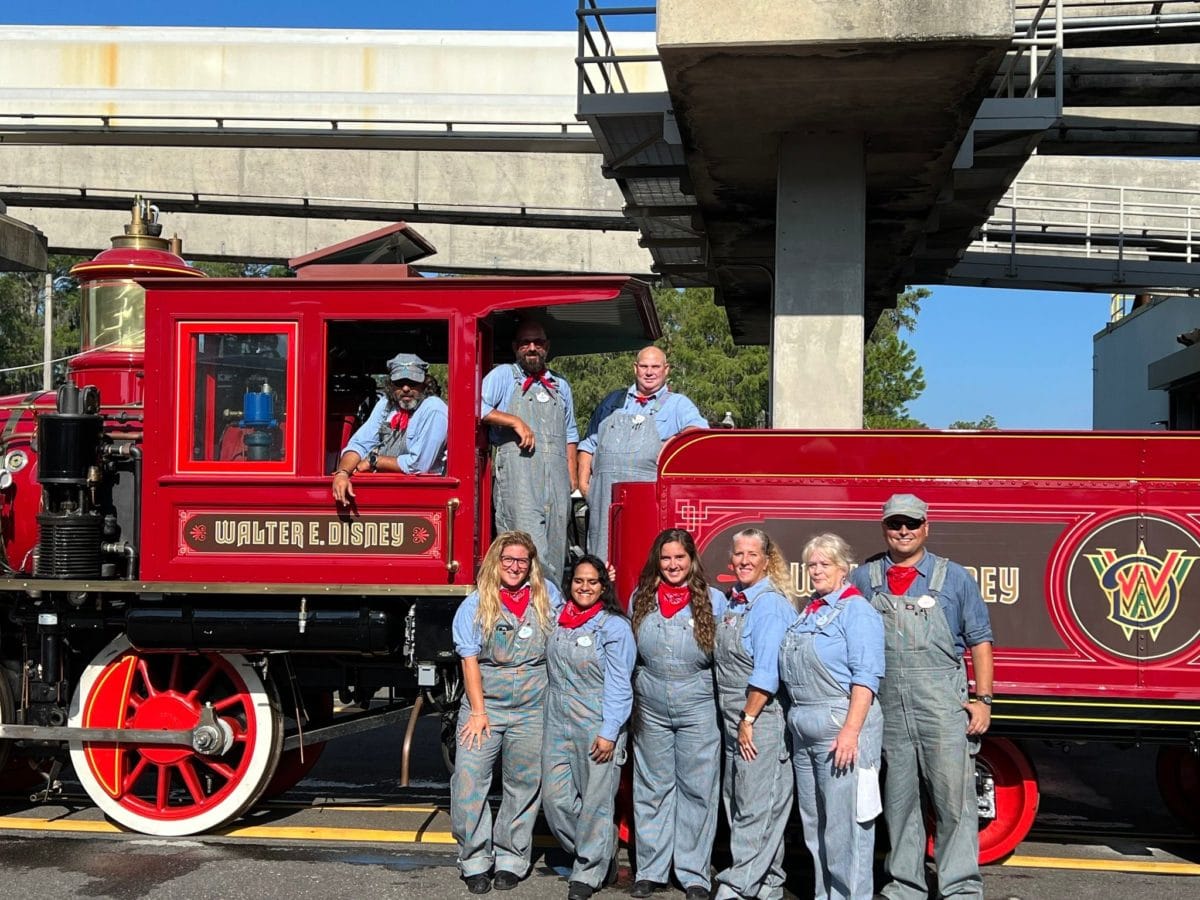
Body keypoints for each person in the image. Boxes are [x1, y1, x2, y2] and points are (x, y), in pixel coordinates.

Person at [847, 494, 995, 900]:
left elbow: (980, 641)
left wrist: (983, 700)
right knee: (900, 802)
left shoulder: (954, 578)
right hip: (889, 704)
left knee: (954, 803)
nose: (904, 531)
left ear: (926, 527)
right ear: (884, 529)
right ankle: (905, 887)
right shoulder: (865, 578)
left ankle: (961, 888)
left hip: (942, 706)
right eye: (895, 524)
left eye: (911, 523)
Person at [451, 531, 563, 895]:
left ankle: (512, 858)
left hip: (533, 706)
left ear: (531, 564)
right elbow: (469, 660)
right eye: (508, 560)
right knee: (469, 781)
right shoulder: (476, 603)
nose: (515, 567)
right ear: (495, 562)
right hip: (486, 706)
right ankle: (474, 860)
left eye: (522, 560)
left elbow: (576, 619)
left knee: (523, 784)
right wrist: (479, 712)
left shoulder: (548, 596)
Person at [780, 534, 885, 900]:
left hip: (841, 727)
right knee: (816, 825)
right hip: (805, 726)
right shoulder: (810, 609)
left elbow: (866, 677)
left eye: (825, 564)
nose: (817, 571)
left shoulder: (858, 612)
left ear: (844, 569)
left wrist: (851, 732)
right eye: (812, 564)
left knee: (848, 827)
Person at [628, 529, 726, 900]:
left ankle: (693, 873)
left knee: (697, 790)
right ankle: (651, 869)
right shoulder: (641, 598)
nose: (672, 565)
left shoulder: (714, 601)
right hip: (650, 704)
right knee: (652, 788)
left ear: (691, 560)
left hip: (698, 705)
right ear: (658, 560)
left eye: (679, 558)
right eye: (666, 558)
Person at [542, 555, 636, 900]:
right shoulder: (556, 619)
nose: (584, 587)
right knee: (555, 801)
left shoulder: (613, 627)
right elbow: (539, 581)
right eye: (579, 581)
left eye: (592, 582)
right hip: (557, 719)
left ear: (603, 587)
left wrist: (610, 730)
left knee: (596, 802)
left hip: (597, 719)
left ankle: (589, 870)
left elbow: (620, 684)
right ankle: (598, 850)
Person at [712, 528, 798, 900]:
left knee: (756, 808)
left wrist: (747, 719)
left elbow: (767, 671)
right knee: (740, 802)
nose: (744, 560)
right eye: (739, 554)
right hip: (736, 717)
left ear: (767, 560)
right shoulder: (736, 603)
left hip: (759, 718)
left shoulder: (769, 605)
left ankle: (737, 884)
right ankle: (768, 884)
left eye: (752, 554)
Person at [577, 347, 706, 563]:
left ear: (666, 370)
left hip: (646, 500)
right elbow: (589, 444)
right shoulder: (613, 402)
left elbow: (698, 432)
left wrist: (671, 444)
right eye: (644, 366)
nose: (649, 372)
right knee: (601, 561)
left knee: (642, 555)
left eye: (655, 367)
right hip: (603, 502)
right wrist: (584, 485)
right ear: (635, 368)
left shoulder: (678, 404)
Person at [482, 320, 578, 586]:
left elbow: (571, 432)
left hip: (556, 481)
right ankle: (525, 609)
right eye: (525, 343)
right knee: (524, 547)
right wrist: (514, 421)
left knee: (557, 548)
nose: (532, 348)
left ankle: (553, 609)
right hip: (519, 479)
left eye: (538, 342)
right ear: (516, 348)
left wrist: (571, 477)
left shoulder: (560, 384)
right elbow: (474, 406)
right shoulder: (503, 375)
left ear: (547, 347)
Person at [332, 352, 448, 503]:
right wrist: (343, 473)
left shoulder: (434, 408)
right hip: (385, 490)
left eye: (413, 382)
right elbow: (360, 444)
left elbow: (419, 465)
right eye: (399, 383)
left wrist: (373, 461)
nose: (406, 388)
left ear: (425, 384)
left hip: (422, 495)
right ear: (391, 385)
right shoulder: (386, 404)